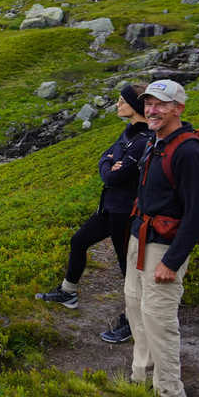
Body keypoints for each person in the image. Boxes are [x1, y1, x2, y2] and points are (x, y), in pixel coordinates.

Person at [36, 85, 151, 344]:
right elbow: (105, 160)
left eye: (122, 101)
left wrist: (111, 165)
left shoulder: (142, 140)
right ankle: (68, 292)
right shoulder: (129, 134)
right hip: (109, 207)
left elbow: (114, 174)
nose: (117, 105)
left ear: (135, 106)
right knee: (79, 241)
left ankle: (134, 320)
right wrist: (110, 163)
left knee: (127, 267)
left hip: (125, 212)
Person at [126, 78, 199, 397]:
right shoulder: (155, 140)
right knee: (135, 306)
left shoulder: (189, 151)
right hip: (141, 239)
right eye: (148, 103)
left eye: (161, 104)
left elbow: (197, 213)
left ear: (179, 108)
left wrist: (173, 261)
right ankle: (141, 377)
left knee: (159, 318)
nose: (152, 110)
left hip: (164, 247)